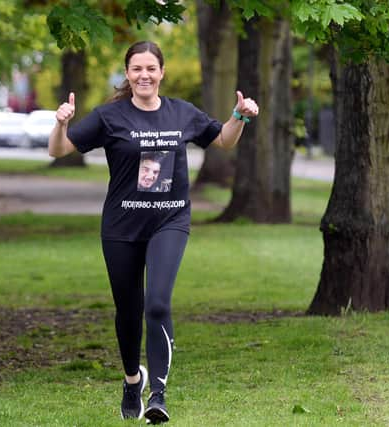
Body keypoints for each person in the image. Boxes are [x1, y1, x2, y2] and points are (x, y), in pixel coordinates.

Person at [48, 40, 259, 424]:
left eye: (150, 68)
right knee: (128, 311)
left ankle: (158, 394)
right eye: (136, 69)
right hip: (122, 226)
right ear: (127, 74)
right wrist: (60, 123)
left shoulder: (182, 113)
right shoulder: (110, 116)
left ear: (162, 72)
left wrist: (239, 116)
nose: (144, 75)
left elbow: (224, 140)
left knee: (157, 303)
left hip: (169, 220)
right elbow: (58, 150)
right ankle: (133, 379)